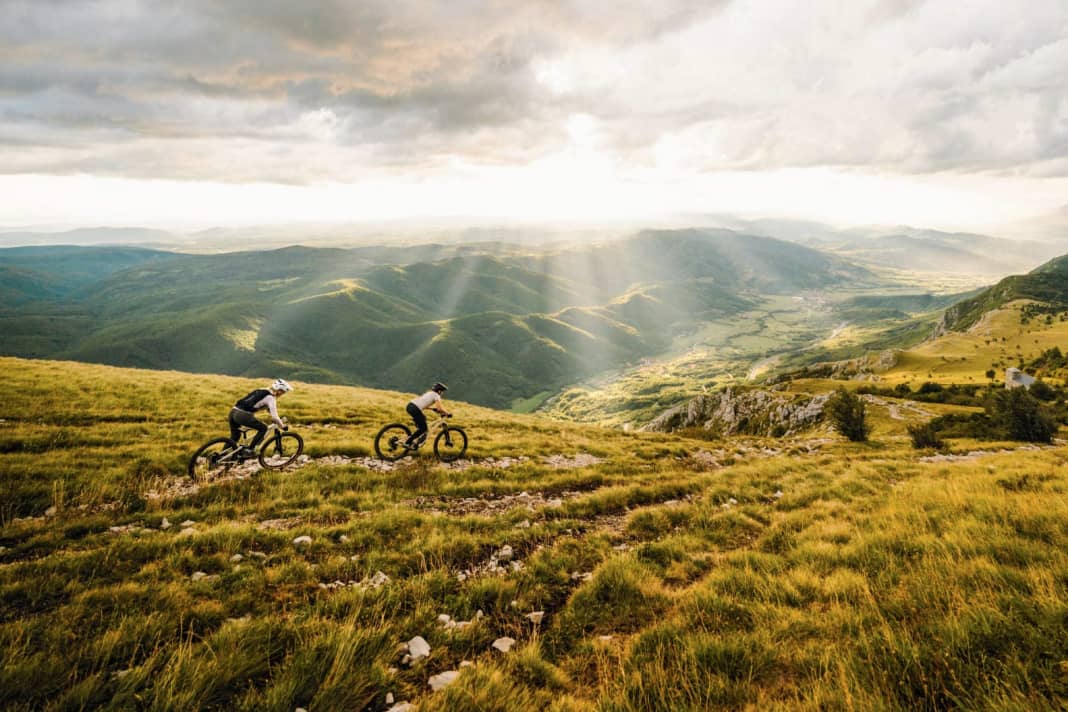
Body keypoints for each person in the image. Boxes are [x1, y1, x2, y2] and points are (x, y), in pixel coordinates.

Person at [230, 379, 292, 457]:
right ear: (279, 390)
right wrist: (282, 426)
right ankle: (250, 450)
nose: (282, 394)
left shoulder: (262, 390)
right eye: (283, 392)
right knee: (263, 428)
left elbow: (260, 404)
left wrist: (273, 414)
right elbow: (275, 417)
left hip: (233, 411)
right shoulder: (271, 398)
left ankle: (220, 457)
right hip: (243, 415)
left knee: (234, 437)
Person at [404, 382, 450, 447]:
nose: (442, 393)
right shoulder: (436, 395)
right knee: (424, 429)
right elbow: (439, 408)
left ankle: (415, 440)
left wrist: (432, 409)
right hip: (415, 409)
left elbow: (423, 403)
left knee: (423, 421)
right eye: (442, 391)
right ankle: (408, 442)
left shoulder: (429, 393)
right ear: (439, 391)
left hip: (410, 406)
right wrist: (447, 413)